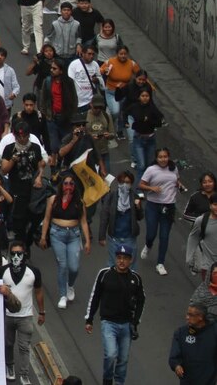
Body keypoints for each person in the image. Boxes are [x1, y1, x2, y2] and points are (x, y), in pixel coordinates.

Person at [85, 245, 145, 385]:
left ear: (130, 260)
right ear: (115, 258)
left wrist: (135, 322)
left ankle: (119, 382)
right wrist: (89, 319)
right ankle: (107, 380)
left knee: (123, 359)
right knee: (111, 355)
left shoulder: (136, 278)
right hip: (108, 323)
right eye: (119, 258)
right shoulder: (104, 274)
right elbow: (95, 296)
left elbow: (142, 300)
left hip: (126, 325)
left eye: (125, 258)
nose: (121, 261)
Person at [40, 174, 91, 309]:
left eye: (71, 184)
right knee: (62, 266)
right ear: (61, 185)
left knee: (74, 267)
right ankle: (62, 295)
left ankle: (70, 285)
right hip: (57, 234)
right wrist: (43, 237)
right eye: (66, 183)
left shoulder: (79, 202)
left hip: (74, 234)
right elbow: (46, 219)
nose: (68, 186)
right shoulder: (53, 200)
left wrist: (87, 241)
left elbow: (84, 222)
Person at [0, 241, 45, 385]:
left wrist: (42, 312)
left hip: (25, 316)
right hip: (6, 315)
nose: (16, 256)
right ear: (9, 254)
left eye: (19, 253)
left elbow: (38, 292)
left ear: (24, 254)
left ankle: (24, 374)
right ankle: (10, 366)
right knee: (8, 344)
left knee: (24, 347)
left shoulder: (34, 272)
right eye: (13, 253)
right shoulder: (2, 271)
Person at [138, 148, 185, 276]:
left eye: (165, 157)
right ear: (156, 158)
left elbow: (176, 180)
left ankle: (160, 263)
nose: (163, 159)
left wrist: (179, 185)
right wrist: (151, 187)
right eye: (160, 157)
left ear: (168, 157)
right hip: (153, 205)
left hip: (169, 206)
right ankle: (148, 245)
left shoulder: (173, 168)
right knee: (151, 233)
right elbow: (140, 185)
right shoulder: (151, 170)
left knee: (164, 236)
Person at [168, 304, 217, 385]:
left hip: (208, 381)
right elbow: (174, 356)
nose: (187, 317)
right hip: (187, 381)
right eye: (187, 314)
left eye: (191, 315)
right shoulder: (181, 333)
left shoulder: (214, 332)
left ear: (200, 317)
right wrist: (176, 365)